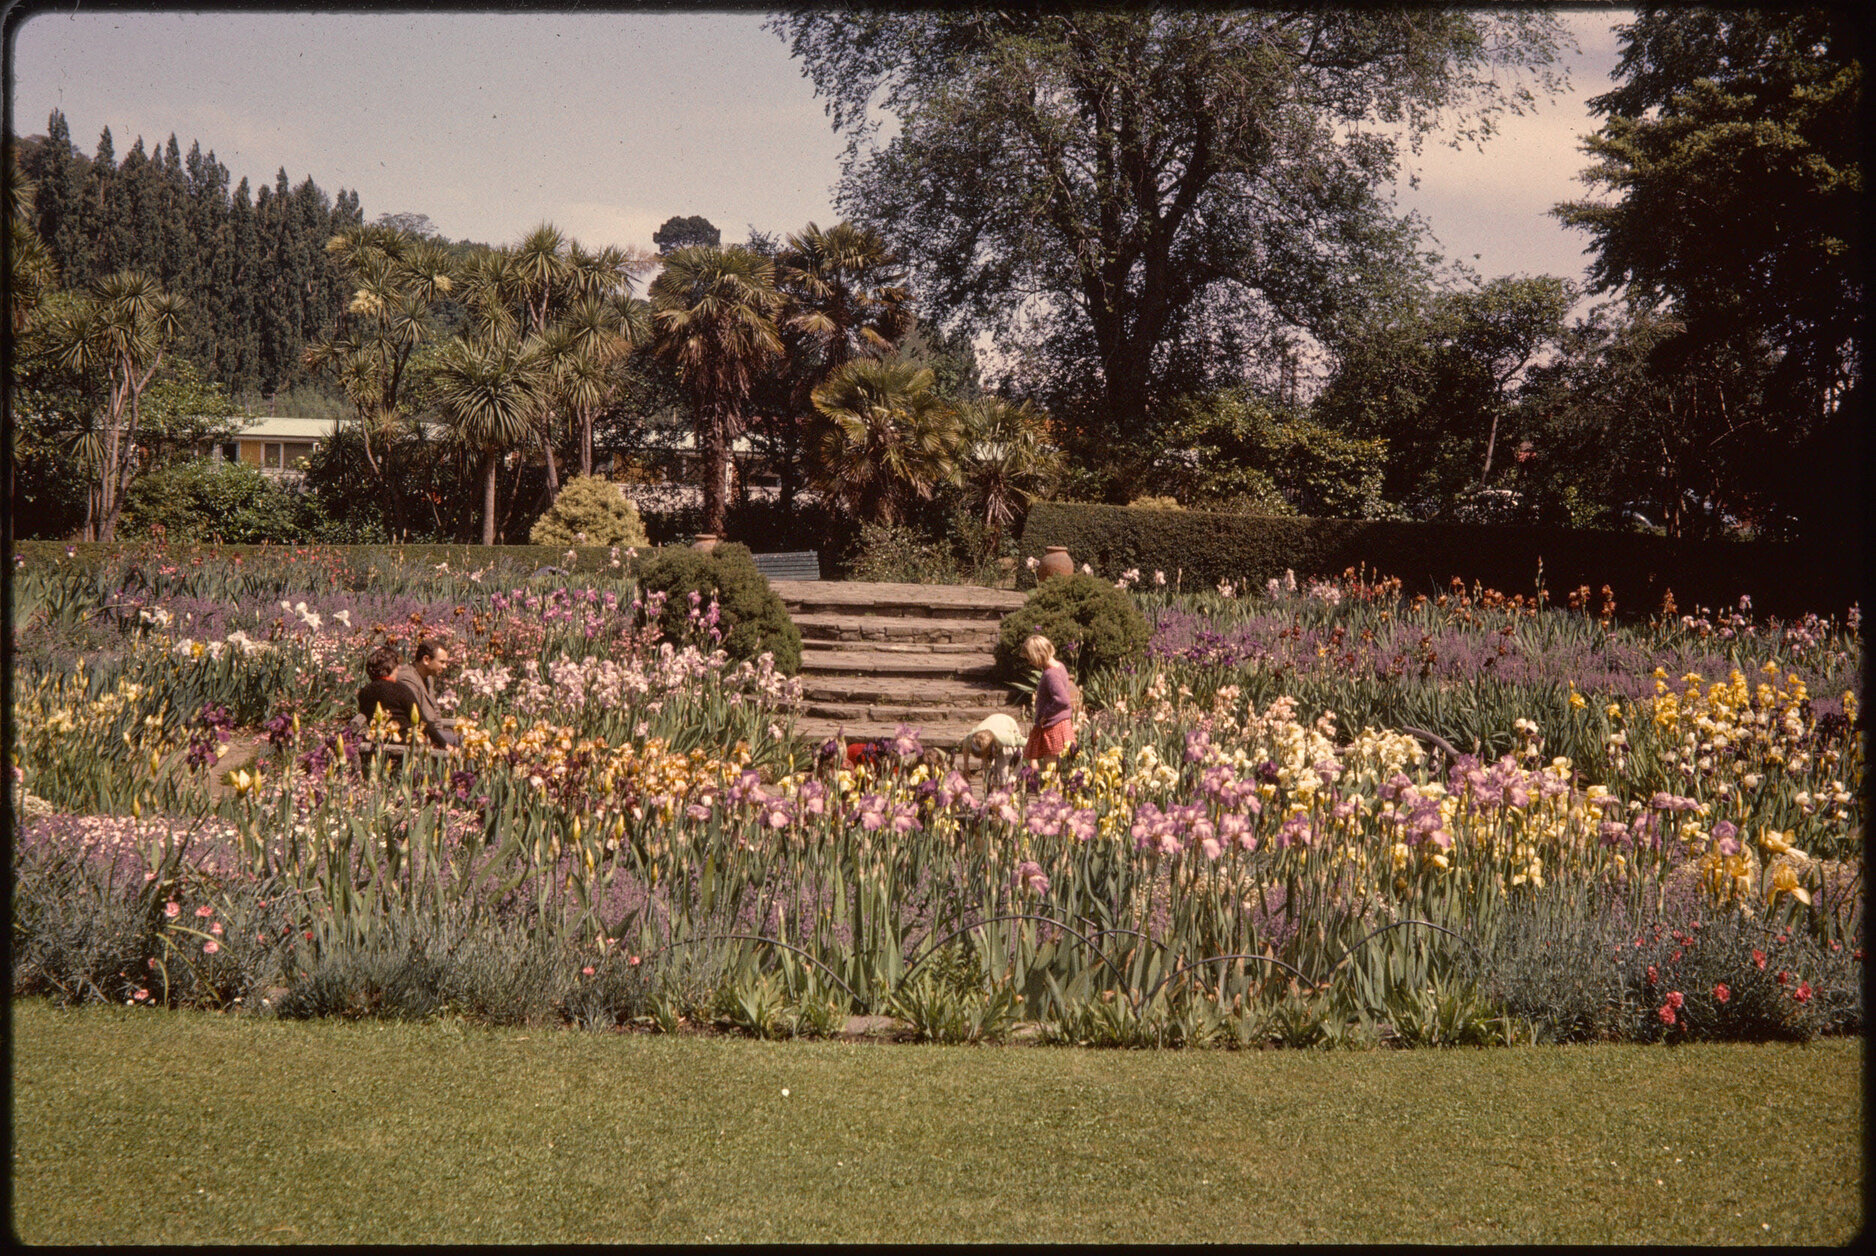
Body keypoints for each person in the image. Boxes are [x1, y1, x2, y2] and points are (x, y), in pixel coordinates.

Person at [394, 639, 461, 749]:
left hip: (433, 733)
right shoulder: (407, 678)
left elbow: (435, 710)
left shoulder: (428, 678)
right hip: (418, 736)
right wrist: (441, 741)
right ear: (426, 659)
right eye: (442, 662)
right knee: (465, 740)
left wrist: (440, 732)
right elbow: (417, 716)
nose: (445, 667)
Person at [1022, 634, 1076, 768]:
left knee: (1050, 767)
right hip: (1059, 722)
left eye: (1031, 659)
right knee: (1053, 767)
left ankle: (1051, 789)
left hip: (1054, 725)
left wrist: (1045, 714)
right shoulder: (1060, 666)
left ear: (1039, 654)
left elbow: (1062, 700)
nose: (1030, 663)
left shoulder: (1051, 674)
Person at [959, 711, 1023, 787]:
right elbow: (965, 749)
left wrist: (1033, 759)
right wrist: (966, 766)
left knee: (1003, 759)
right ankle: (988, 784)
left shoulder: (1005, 739)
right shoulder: (971, 738)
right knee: (987, 766)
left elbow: (1025, 742)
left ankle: (1006, 784)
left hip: (1008, 724)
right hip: (992, 723)